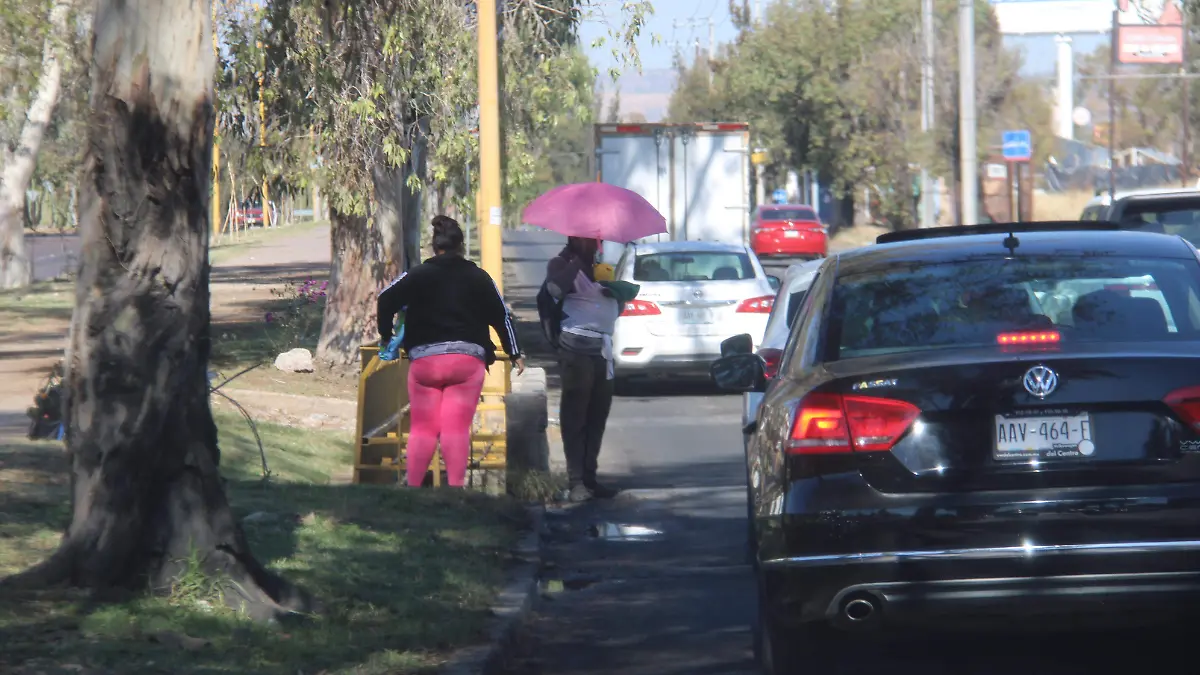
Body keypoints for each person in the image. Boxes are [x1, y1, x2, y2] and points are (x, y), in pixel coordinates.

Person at [377, 215, 524, 488]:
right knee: (455, 428)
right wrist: (514, 352)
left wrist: (386, 336)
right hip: (466, 362)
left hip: (425, 362)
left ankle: (413, 491)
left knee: (423, 428)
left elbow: (385, 298)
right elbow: (502, 316)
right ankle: (456, 491)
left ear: (434, 247)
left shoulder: (417, 275)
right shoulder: (479, 277)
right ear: (461, 246)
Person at [545, 236, 622, 502]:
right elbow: (555, 290)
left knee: (597, 416)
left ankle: (590, 477)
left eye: (598, 238)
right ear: (574, 238)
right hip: (575, 348)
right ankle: (576, 481)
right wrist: (577, 262)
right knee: (575, 415)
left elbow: (613, 307)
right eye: (590, 238)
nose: (596, 243)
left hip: (603, 349)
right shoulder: (561, 263)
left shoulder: (601, 266)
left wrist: (616, 293)